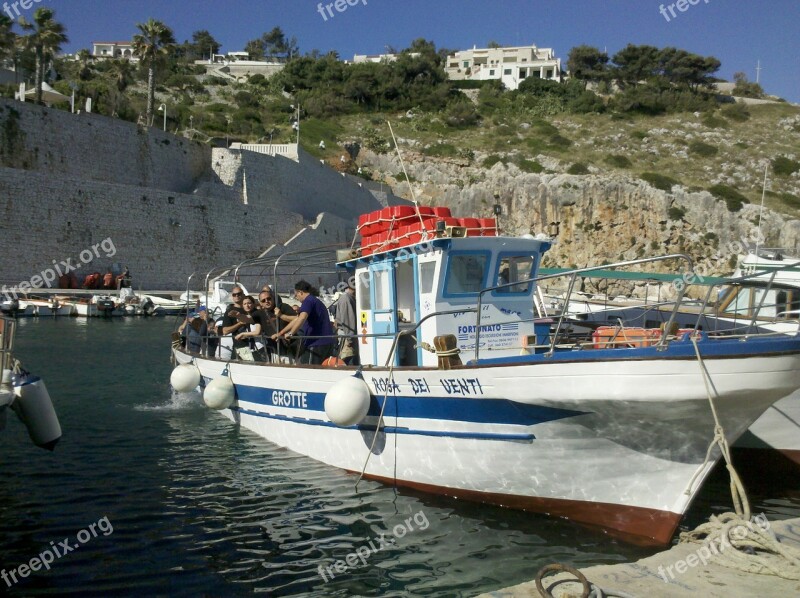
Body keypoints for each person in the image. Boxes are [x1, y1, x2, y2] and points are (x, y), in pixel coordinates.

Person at [272, 280, 334, 365]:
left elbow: (302, 318)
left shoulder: (307, 301)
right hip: (327, 343)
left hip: (315, 343)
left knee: (307, 370)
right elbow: (296, 319)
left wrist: (291, 334)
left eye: (296, 295)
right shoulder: (315, 301)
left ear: (300, 292)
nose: (296, 298)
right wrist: (281, 332)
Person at [233, 295, 266, 361]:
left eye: (249, 303)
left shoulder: (257, 314)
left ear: (253, 304)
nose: (247, 305)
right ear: (242, 306)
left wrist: (243, 334)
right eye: (245, 304)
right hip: (254, 347)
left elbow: (257, 332)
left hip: (262, 347)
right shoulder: (248, 316)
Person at [332, 283, 358, 364]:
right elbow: (348, 319)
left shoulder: (349, 298)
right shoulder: (346, 298)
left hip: (348, 334)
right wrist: (350, 338)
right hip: (347, 335)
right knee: (348, 359)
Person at [219, 285, 246, 359]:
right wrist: (240, 324)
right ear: (232, 297)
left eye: (239, 294)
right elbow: (225, 331)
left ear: (243, 295)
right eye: (234, 294)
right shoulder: (229, 312)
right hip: (240, 347)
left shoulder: (248, 308)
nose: (237, 296)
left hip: (255, 346)